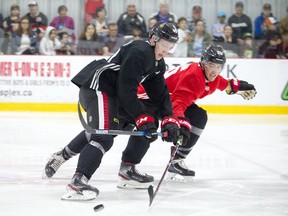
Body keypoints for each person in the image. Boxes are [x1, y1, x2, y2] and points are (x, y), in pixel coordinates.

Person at [44, 22, 182, 198]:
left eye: (170, 47)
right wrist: (141, 117)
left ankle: (123, 170)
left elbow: (160, 96)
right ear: (154, 39)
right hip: (98, 88)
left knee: (118, 127)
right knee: (103, 136)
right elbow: (126, 91)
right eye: (164, 45)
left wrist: (170, 120)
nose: (165, 51)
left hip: (113, 94)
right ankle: (77, 182)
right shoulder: (139, 51)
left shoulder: (157, 64)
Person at [137, 44, 256, 181]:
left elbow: (223, 84)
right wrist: (180, 122)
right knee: (150, 128)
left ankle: (176, 161)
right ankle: (129, 165)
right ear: (204, 63)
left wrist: (238, 86)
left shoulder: (209, 76)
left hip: (166, 98)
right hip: (148, 98)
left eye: (219, 66)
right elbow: (178, 103)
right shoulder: (194, 76)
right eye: (212, 65)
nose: (215, 71)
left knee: (199, 116)